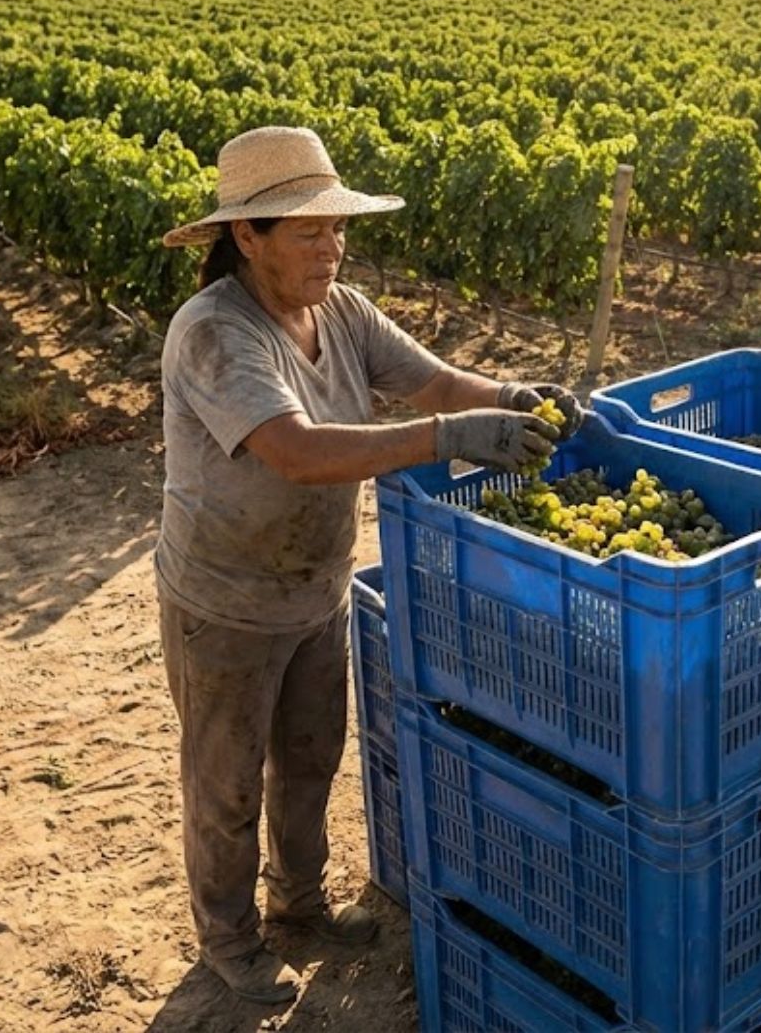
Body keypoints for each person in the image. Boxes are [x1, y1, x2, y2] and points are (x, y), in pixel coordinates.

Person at [153, 126, 583, 1003]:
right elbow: (297, 451)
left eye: (338, 228)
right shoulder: (213, 333)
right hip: (225, 601)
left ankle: (300, 905)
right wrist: (447, 440)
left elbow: (434, 382)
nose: (332, 246)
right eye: (309, 231)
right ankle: (229, 941)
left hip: (317, 586)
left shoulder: (340, 311)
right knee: (225, 782)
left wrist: (510, 397)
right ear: (247, 235)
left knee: (311, 758)